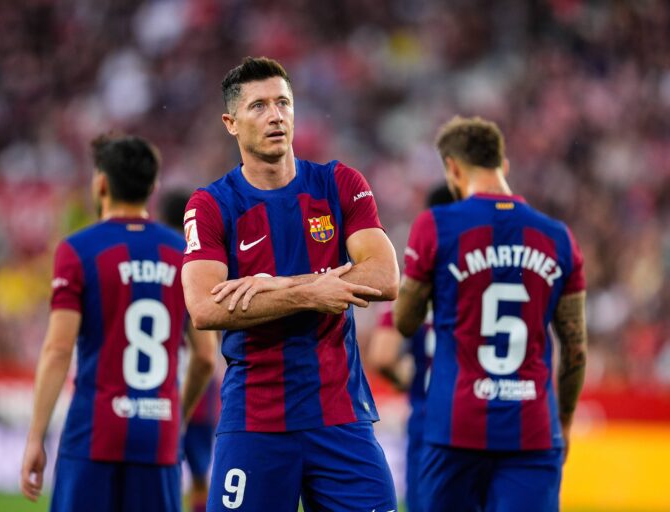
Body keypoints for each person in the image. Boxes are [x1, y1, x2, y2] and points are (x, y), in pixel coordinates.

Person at [181, 57, 400, 512]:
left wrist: (270, 287)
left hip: (340, 416)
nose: (276, 115)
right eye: (259, 106)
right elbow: (204, 307)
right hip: (255, 420)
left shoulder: (339, 183)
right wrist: (310, 292)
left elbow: (384, 276)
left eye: (283, 102)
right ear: (231, 123)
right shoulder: (211, 204)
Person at [394, 116, 588, 512]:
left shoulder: (436, 226)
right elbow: (576, 350)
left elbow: (405, 321)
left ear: (452, 167)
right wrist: (563, 421)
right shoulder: (558, 237)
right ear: (504, 166)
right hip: (532, 431)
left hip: (454, 429)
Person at [20, 135, 217, 512]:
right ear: (153, 187)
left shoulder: (78, 250)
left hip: (94, 433)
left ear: (101, 183)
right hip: (158, 435)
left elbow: (59, 348)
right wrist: (178, 418)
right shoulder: (182, 254)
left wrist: (35, 437)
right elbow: (206, 358)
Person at [367, 183, 453, 512]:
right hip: (487, 417)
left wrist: (412, 379)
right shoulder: (492, 274)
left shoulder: (414, 283)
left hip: (430, 420)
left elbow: (383, 355)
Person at [161, 189, 221, 512]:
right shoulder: (203, 263)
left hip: (166, 386)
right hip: (202, 388)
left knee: (165, 471)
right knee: (200, 475)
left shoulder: (161, 260)